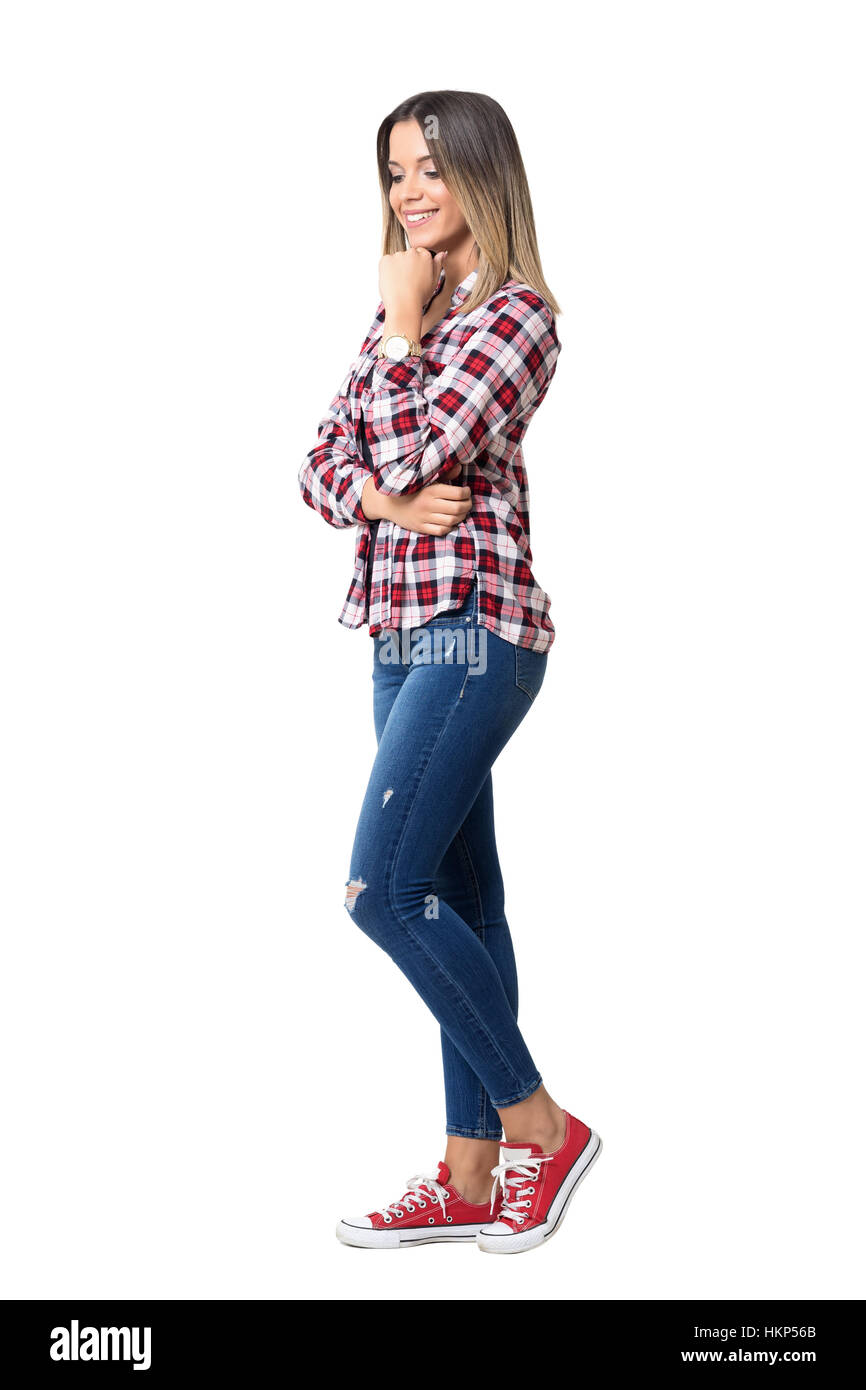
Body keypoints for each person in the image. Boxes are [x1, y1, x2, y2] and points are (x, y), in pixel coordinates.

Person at [299, 90, 602, 1254]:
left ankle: (542, 1127)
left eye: (429, 167)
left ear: (480, 172)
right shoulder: (407, 311)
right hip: (394, 631)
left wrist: (399, 342)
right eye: (392, 173)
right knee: (460, 897)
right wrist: (378, 495)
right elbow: (322, 466)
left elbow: (427, 440)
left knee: (380, 890)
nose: (408, 192)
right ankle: (469, 1173)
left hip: (474, 628)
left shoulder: (517, 317)